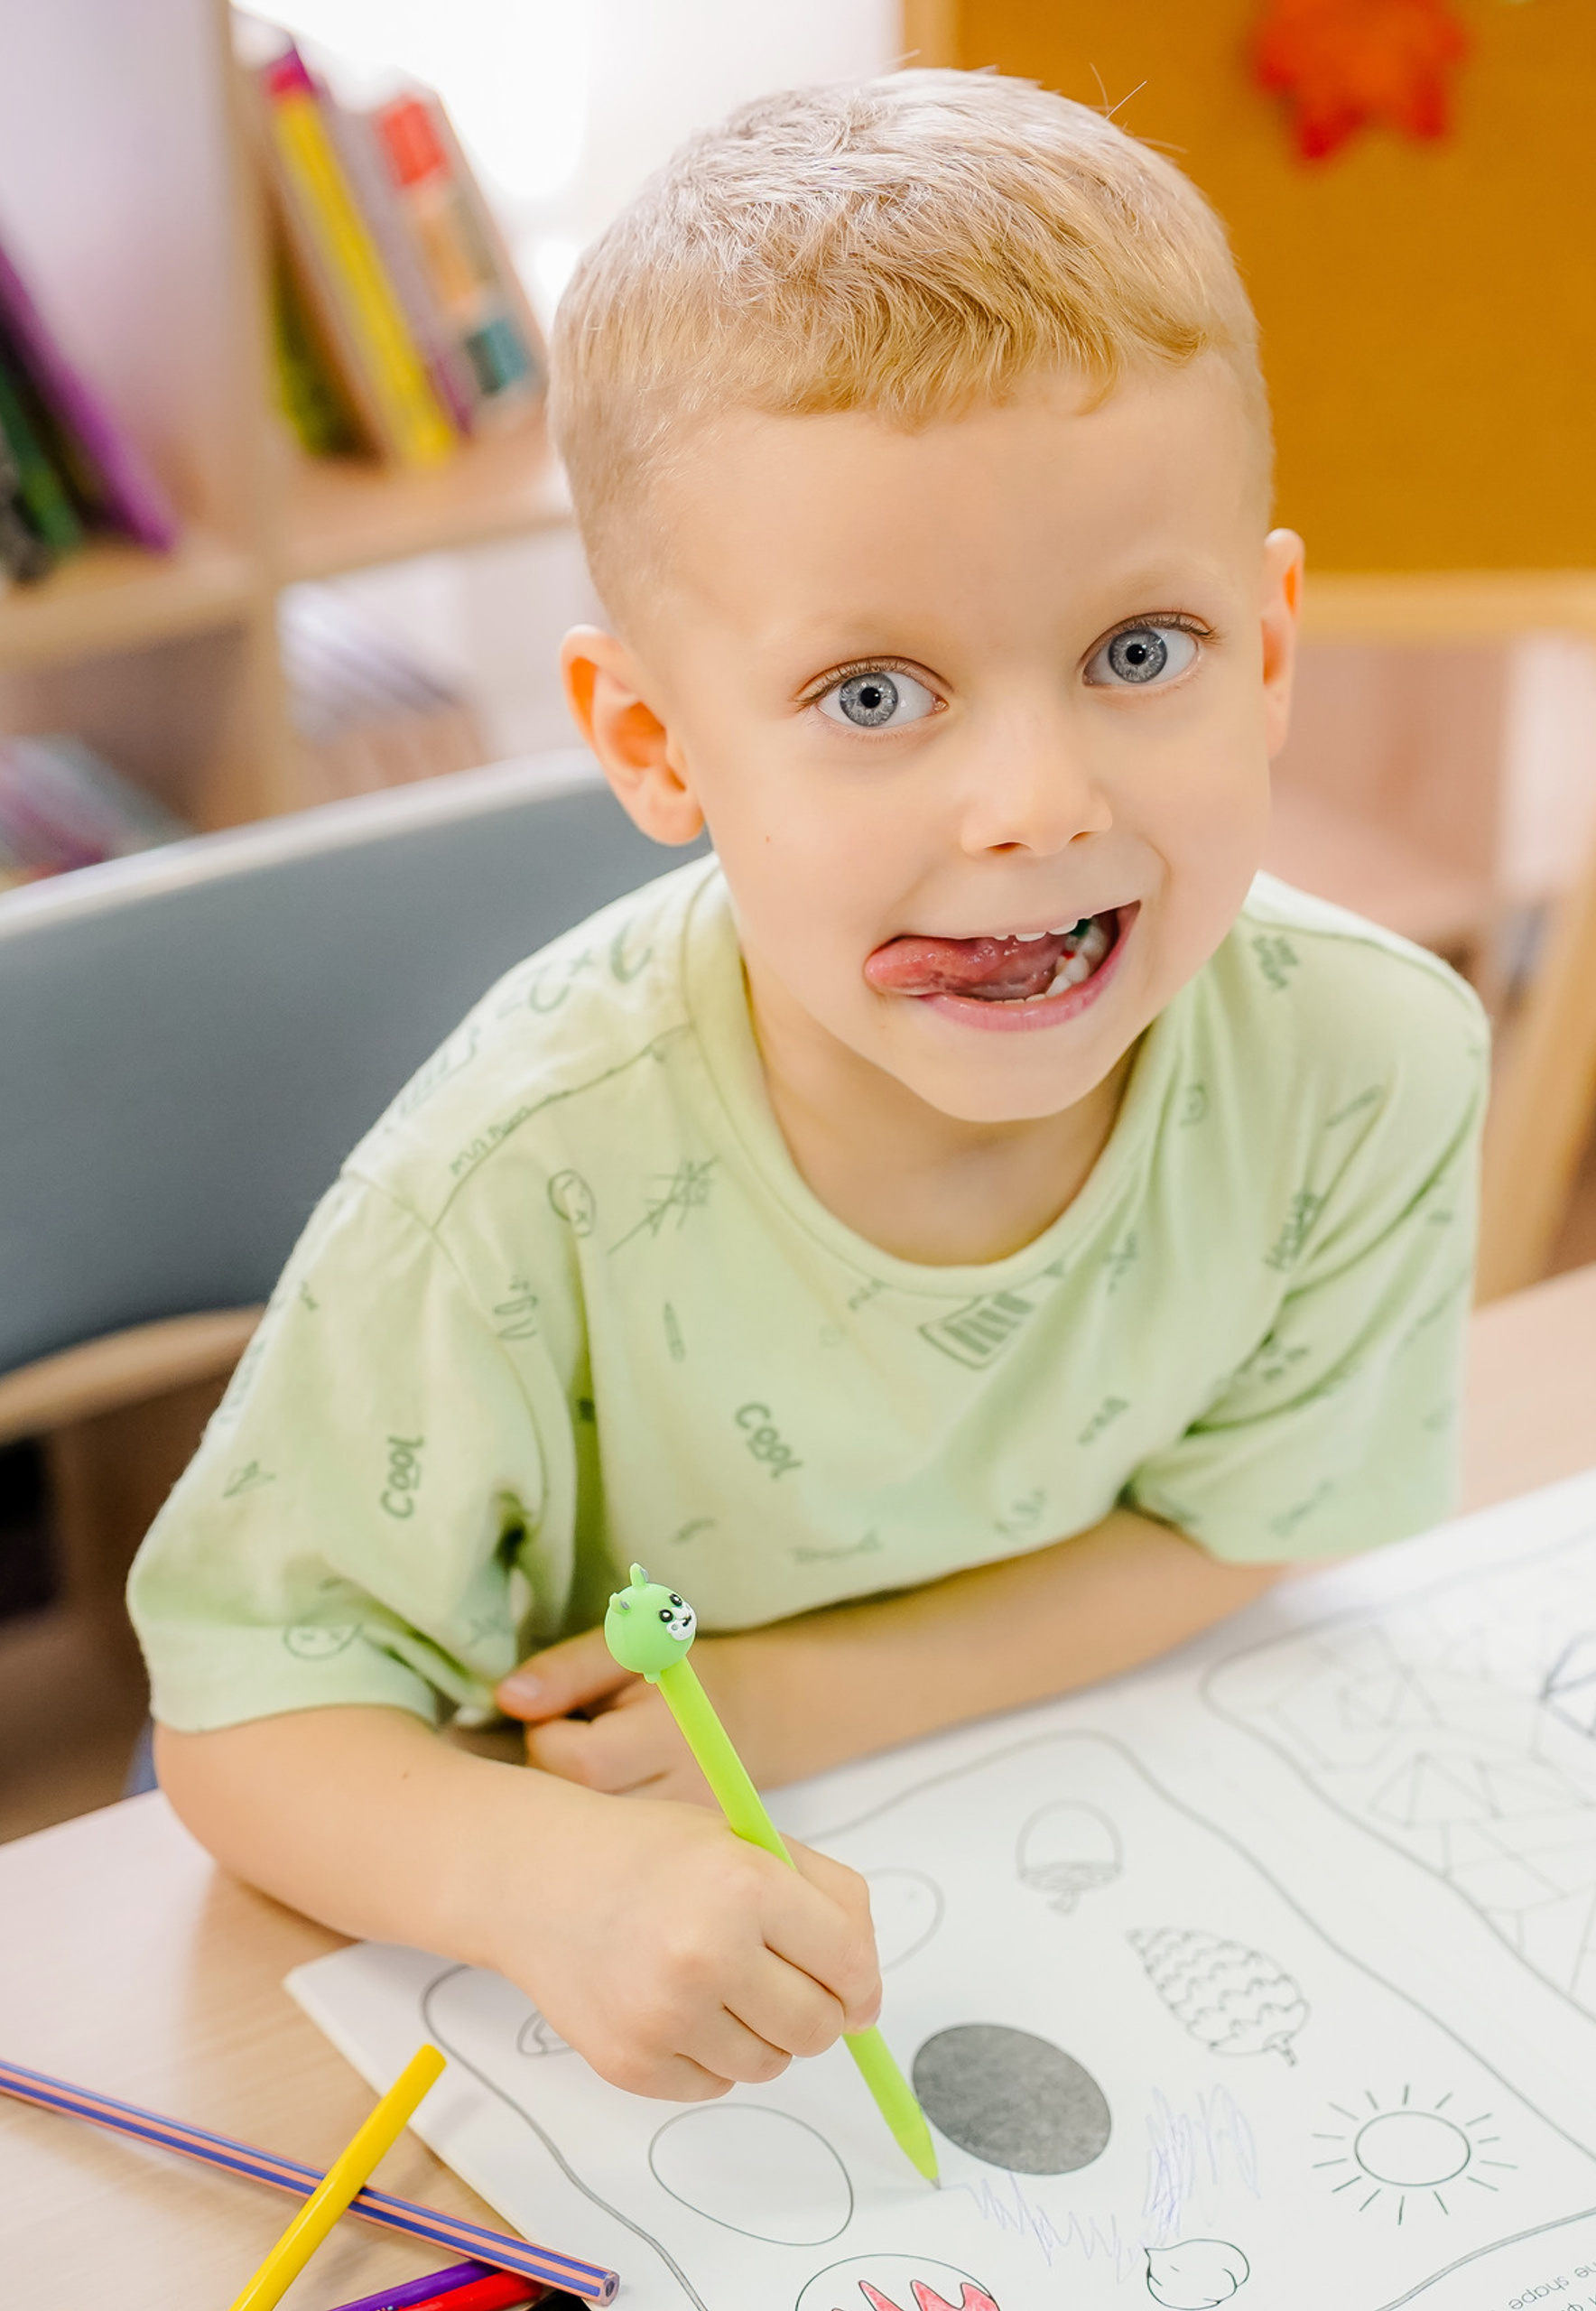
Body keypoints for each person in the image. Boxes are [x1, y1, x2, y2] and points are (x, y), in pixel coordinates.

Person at [132, 71, 1486, 2104]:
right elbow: (244, 1715)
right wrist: (548, 1876)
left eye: (1141, 649)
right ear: (657, 740)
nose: (1035, 806)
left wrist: (783, 1699)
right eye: (874, 694)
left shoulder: (1367, 1068)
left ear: (1272, 647)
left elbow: (1250, 1521)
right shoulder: (507, 1180)